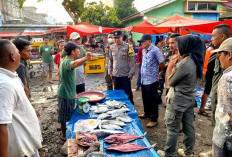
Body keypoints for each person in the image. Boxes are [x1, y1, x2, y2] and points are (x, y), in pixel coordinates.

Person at [0, 39, 42, 157]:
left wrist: (29, 110)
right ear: (12, 56)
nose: (19, 54)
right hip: (20, 150)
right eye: (17, 52)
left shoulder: (10, 76)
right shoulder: (4, 85)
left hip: (27, 145)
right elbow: (1, 125)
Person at [164, 35, 204, 157]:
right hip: (188, 99)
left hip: (178, 101)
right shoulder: (195, 60)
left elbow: (170, 81)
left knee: (172, 129)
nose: (177, 47)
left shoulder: (185, 63)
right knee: (188, 127)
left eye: (180, 45)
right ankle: (188, 152)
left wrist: (174, 67)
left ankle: (169, 154)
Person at [57, 41, 91, 140]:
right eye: (77, 49)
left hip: (69, 92)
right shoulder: (67, 62)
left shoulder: (65, 59)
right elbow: (74, 64)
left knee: (68, 113)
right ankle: (64, 135)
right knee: (63, 116)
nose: (79, 51)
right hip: (65, 94)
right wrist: (85, 58)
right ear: (72, 52)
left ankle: (66, 132)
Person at [138, 34, 165, 128]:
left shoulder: (155, 50)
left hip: (152, 80)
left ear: (149, 41)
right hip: (144, 79)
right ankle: (147, 113)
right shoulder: (144, 50)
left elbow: (162, 64)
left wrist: (156, 73)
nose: (141, 43)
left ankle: (154, 119)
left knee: (152, 100)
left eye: (143, 41)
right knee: (145, 98)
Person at [211, 37, 232, 157]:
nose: (218, 57)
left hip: (225, 138)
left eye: (220, 54)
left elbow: (229, 113)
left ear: (229, 54)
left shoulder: (227, 78)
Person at [211, 24, 231, 126]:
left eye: (213, 36)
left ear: (222, 36)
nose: (211, 39)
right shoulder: (221, 51)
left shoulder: (227, 52)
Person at [109, 30, 135, 104]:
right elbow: (110, 60)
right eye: (115, 38)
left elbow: (132, 60)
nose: (117, 39)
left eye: (118, 37)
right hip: (115, 74)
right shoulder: (111, 47)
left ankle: (131, 106)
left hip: (125, 74)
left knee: (128, 92)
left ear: (122, 37)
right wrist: (110, 72)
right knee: (117, 93)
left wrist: (131, 72)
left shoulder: (128, 46)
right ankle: (119, 106)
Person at [198, 44, 216, 117]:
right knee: (207, 90)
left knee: (207, 89)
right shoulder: (212, 50)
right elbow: (208, 62)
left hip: (208, 71)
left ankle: (202, 108)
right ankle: (202, 108)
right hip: (210, 72)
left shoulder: (210, 49)